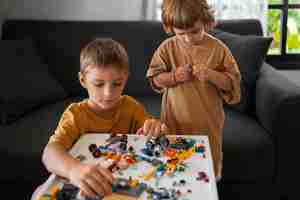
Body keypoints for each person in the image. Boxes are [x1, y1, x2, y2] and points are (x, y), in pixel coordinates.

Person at [32, 38, 167, 200]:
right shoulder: (76, 114)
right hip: (83, 182)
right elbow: (50, 153)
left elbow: (154, 128)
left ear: (126, 78)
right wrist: (74, 170)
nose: (108, 93)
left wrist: (156, 127)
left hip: (124, 184)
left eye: (116, 84)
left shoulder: (131, 107)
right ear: (83, 80)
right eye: (98, 84)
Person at [146, 0, 241, 181]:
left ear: (205, 21)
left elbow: (233, 85)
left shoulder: (219, 49)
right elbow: (155, 79)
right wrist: (174, 77)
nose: (188, 38)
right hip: (173, 122)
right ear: (169, 27)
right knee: (173, 170)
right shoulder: (167, 48)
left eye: (195, 31)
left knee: (205, 174)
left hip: (207, 125)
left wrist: (212, 75)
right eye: (181, 33)